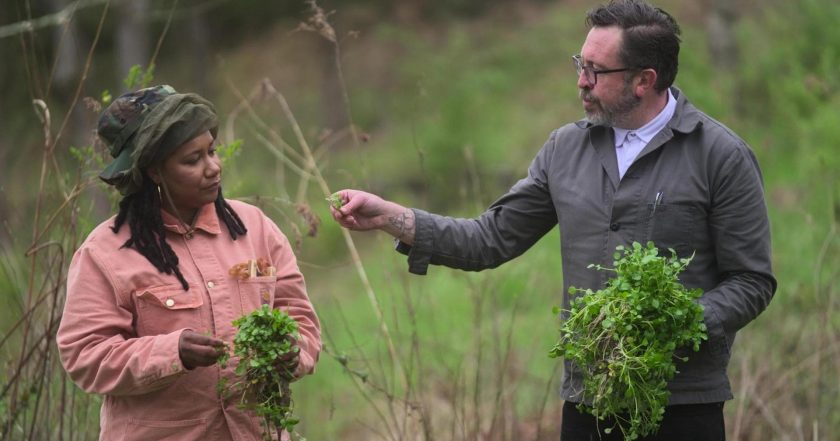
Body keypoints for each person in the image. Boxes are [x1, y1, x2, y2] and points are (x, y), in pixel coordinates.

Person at [330, 0, 776, 439]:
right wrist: (393, 216)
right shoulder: (565, 150)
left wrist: (677, 323)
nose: (581, 82)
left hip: (682, 404)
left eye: (596, 71)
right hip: (588, 401)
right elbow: (490, 238)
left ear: (644, 80)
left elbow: (751, 281)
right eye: (579, 65)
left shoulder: (720, 155)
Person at [56, 85, 321, 441]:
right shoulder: (105, 254)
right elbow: (86, 357)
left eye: (211, 151)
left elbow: (298, 316)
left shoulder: (254, 229)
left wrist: (293, 351)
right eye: (192, 160)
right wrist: (171, 352)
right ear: (153, 171)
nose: (213, 168)